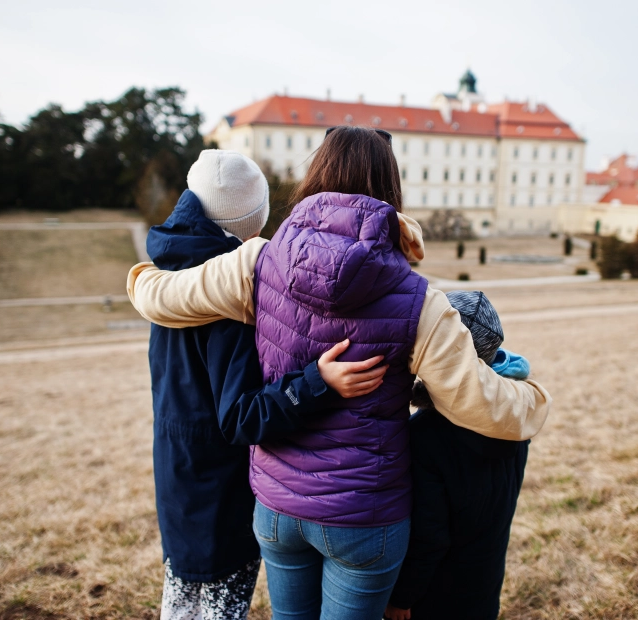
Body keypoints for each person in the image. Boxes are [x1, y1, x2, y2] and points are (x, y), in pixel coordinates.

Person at [128, 127, 552, 619]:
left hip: (277, 506)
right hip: (365, 516)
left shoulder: (255, 261)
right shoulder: (423, 303)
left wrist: (140, 276)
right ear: (391, 188)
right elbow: (481, 405)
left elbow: (160, 297)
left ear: (316, 174)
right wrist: (535, 397)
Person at [148, 150, 388, 620]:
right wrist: (318, 381)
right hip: (218, 491)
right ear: (250, 221)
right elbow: (240, 416)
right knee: (217, 606)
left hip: (177, 472)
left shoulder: (171, 270)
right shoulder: (227, 299)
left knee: (182, 602)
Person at [384, 291, 531, 620]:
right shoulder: (516, 418)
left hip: (434, 597)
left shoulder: (427, 436)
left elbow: (429, 536)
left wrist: (402, 597)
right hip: (483, 586)